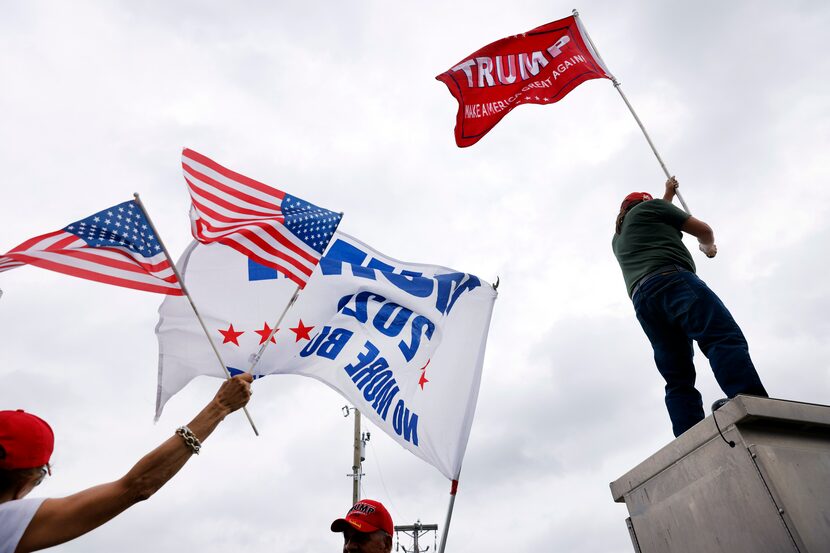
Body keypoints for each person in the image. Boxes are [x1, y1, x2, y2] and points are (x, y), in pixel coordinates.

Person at [0, 373, 252, 553]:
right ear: (27, 478)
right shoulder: (6, 522)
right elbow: (137, 486)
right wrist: (219, 407)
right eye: (41, 477)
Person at [612, 177, 768, 437]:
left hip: (644, 302)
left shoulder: (618, 237)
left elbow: (660, 209)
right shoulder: (650, 210)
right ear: (645, 203)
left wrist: (668, 193)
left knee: (677, 375)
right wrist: (706, 247)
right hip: (673, 281)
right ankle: (752, 401)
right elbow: (704, 230)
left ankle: (690, 436)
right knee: (721, 337)